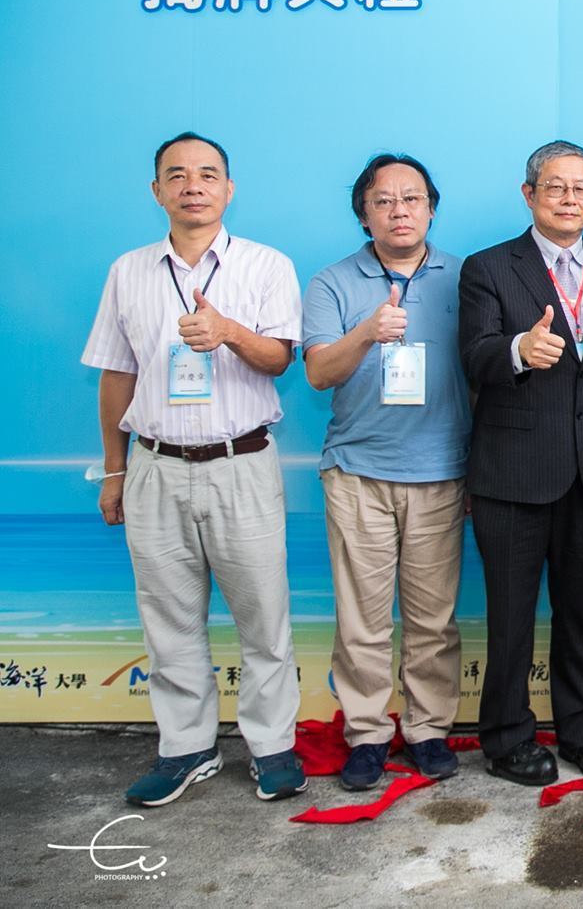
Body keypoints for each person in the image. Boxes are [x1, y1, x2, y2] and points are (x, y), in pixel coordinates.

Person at [83, 132, 306, 806]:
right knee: (169, 616)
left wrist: (229, 332)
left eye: (208, 174)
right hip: (153, 467)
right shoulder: (128, 271)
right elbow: (117, 374)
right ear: (157, 191)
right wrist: (115, 471)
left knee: (263, 617)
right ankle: (186, 749)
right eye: (176, 175)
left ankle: (272, 748)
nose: (193, 185)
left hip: (240, 463)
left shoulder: (266, 266)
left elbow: (279, 360)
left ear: (228, 189)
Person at [458, 140, 583, 786]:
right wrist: (516, 349)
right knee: (510, 616)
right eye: (556, 187)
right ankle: (507, 739)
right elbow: (473, 356)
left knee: (579, 614)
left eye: (582, 188)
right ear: (529, 193)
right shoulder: (487, 267)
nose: (570, 199)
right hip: (512, 471)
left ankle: (581, 733)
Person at [302, 154, 472, 790]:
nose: (399, 210)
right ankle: (368, 733)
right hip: (358, 474)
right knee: (364, 620)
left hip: (441, 472)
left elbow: (482, 377)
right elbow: (318, 373)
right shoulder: (332, 283)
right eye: (383, 200)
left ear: (431, 207)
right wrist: (368, 333)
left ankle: (429, 729)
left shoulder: (466, 277)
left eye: (413, 198)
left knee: (433, 619)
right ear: (363, 212)